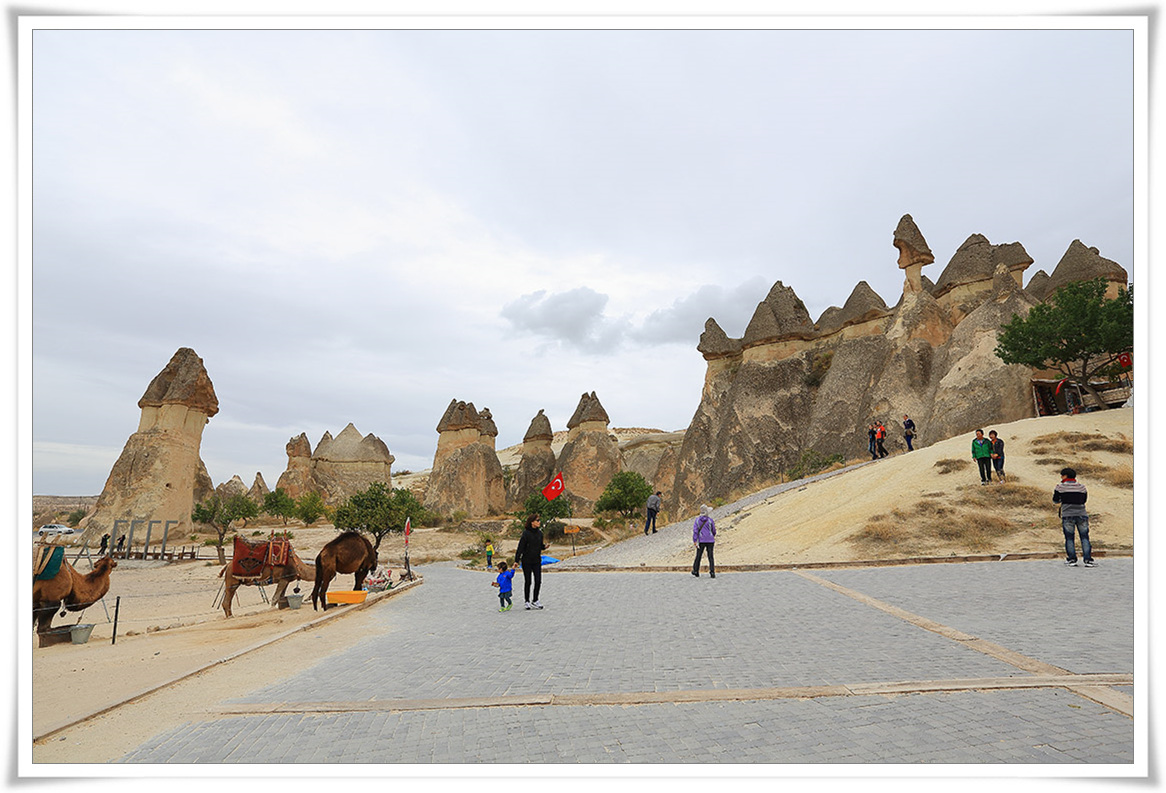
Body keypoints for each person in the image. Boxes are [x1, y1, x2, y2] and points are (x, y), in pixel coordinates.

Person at [1054, 467, 1095, 567]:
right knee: (1084, 537)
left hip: (1067, 515)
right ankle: (1088, 560)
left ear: (1065, 476)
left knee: (1069, 538)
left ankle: (1072, 559)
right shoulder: (1082, 487)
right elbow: (1084, 500)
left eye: (1062, 475)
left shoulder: (1060, 487)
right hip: (1081, 514)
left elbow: (1055, 500)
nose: (1061, 477)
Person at [515, 514, 547, 609]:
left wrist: (544, 547)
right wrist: (516, 560)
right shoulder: (526, 534)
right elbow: (520, 547)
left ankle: (535, 600)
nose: (539, 522)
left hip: (537, 560)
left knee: (538, 581)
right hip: (527, 561)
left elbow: (540, 546)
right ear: (532, 522)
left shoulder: (540, 533)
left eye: (539, 520)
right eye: (537, 520)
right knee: (528, 581)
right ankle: (527, 601)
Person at [691, 505, 717, 578]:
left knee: (698, 556)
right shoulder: (710, 520)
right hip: (710, 540)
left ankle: (696, 570)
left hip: (701, 540)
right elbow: (713, 530)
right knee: (710, 556)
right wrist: (712, 535)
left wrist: (695, 540)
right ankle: (712, 571)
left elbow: (695, 531)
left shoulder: (697, 520)